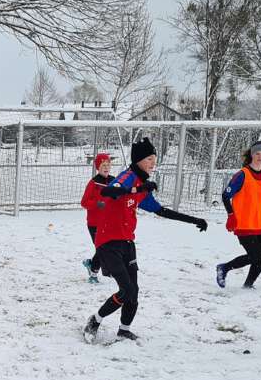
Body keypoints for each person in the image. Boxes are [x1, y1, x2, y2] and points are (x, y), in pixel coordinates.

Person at [81, 138, 208, 344]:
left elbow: (161, 211)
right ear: (138, 160)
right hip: (107, 242)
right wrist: (136, 190)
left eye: (154, 158)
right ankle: (94, 321)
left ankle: (124, 330)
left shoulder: (143, 185)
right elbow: (108, 191)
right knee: (126, 290)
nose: (153, 162)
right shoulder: (128, 177)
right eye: (149, 158)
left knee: (134, 291)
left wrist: (193, 220)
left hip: (127, 243)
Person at [215, 141, 261, 288]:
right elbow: (225, 195)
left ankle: (248, 285)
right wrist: (231, 215)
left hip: (260, 224)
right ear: (252, 155)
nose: (260, 156)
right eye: (257, 153)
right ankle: (224, 268)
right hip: (243, 223)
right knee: (255, 256)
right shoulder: (242, 175)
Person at [79, 152, 114, 284]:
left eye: (108, 165)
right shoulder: (93, 183)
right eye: (103, 165)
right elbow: (84, 202)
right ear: (98, 167)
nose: (106, 167)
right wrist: (96, 204)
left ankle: (92, 265)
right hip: (94, 223)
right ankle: (93, 272)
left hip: (109, 222)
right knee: (102, 248)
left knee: (107, 248)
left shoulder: (113, 181)